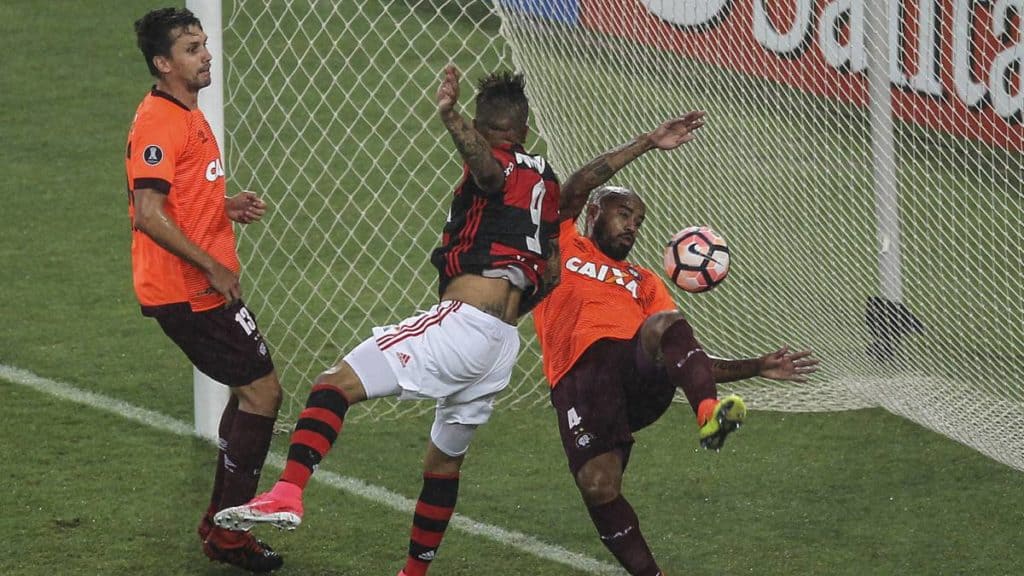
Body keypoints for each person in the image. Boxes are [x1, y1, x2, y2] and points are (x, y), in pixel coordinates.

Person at [213, 65, 561, 576]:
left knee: (333, 385)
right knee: (443, 466)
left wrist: (449, 117)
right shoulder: (545, 182)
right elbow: (549, 276)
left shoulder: (495, 167)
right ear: (526, 130)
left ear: (486, 132)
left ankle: (287, 491)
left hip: (462, 327)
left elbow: (488, 173)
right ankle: (413, 574)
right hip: (502, 346)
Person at [533, 111, 820, 576]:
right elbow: (577, 185)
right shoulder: (563, 243)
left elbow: (680, 352)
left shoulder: (644, 281)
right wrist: (648, 141)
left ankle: (707, 414)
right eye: (624, 214)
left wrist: (755, 366)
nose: (632, 226)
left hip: (635, 376)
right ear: (594, 214)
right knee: (599, 488)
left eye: (638, 220)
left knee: (664, 323)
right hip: (579, 382)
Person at [126, 8, 284, 573]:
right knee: (263, 394)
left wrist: (222, 208)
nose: (206, 55)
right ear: (163, 63)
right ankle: (228, 534)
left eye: (204, 44)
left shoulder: (186, 114)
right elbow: (147, 212)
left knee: (252, 393)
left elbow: (180, 201)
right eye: (192, 49)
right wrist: (213, 268)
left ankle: (223, 522)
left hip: (201, 286)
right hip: (187, 290)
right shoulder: (160, 122)